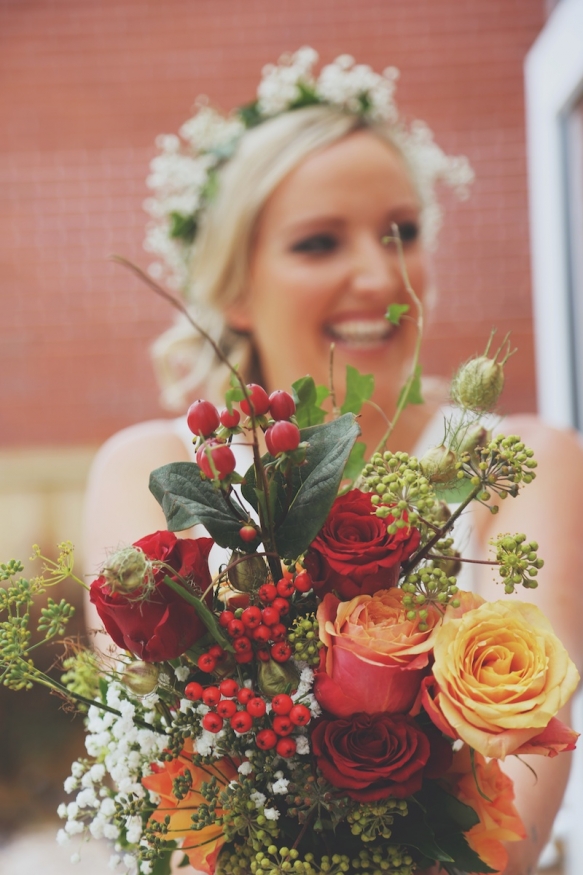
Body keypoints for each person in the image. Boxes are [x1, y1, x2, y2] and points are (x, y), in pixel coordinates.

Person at [83, 49, 583, 875]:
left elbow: (516, 811)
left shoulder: (521, 460)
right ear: (235, 283)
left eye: (403, 232)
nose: (380, 273)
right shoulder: (151, 464)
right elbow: (172, 784)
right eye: (319, 242)